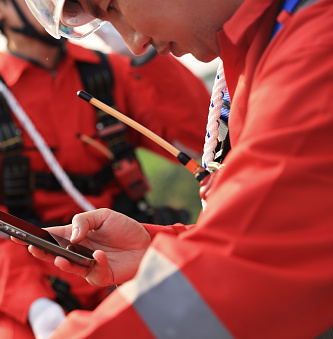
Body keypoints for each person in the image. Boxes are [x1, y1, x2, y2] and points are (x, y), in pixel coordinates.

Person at [19, 0, 333, 337]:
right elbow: (283, 228)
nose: (134, 43)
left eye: (113, 8)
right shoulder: (269, 46)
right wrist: (156, 249)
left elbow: (249, 255)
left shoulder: (316, 47)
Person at [0, 0, 210, 338]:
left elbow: (205, 139)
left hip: (127, 263)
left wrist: (142, 46)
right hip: (33, 289)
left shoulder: (113, 74)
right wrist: (36, 306)